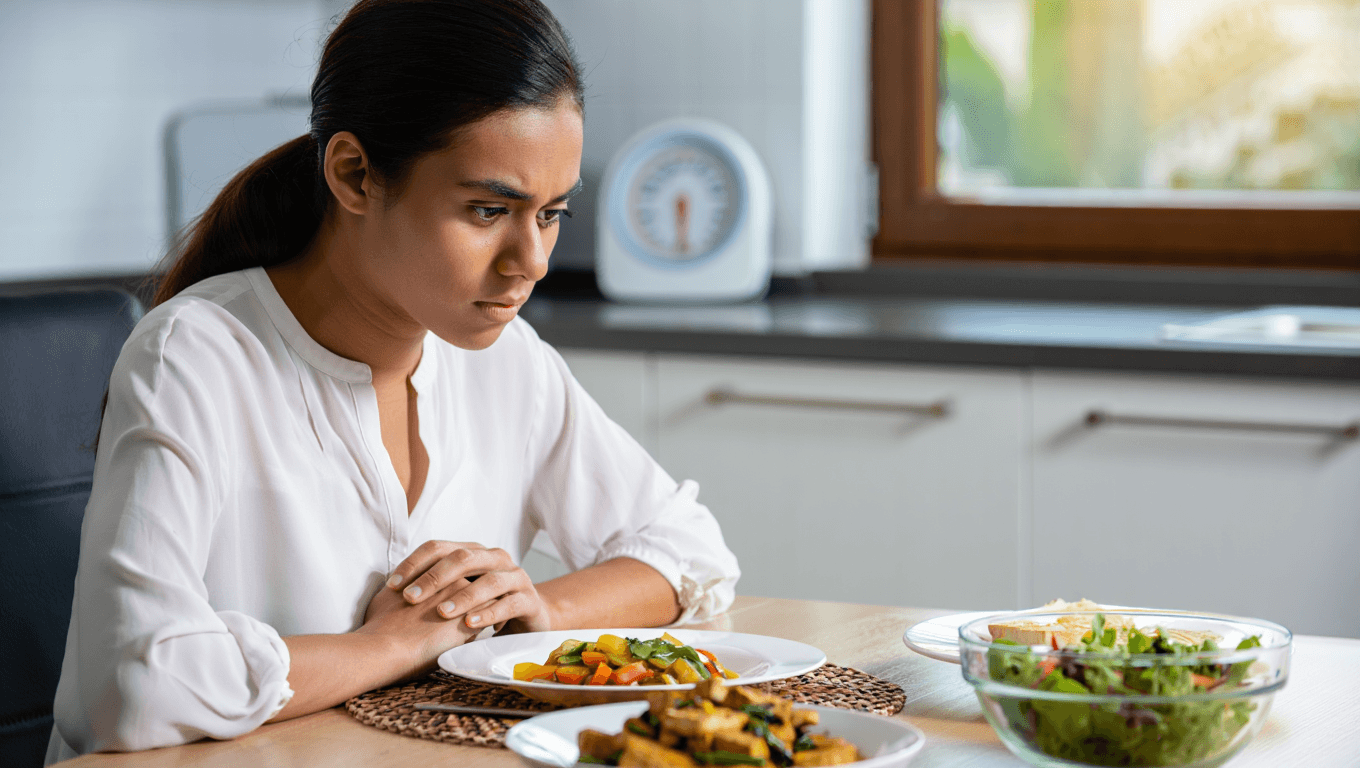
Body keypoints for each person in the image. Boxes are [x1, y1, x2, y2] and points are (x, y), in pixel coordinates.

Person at [46, 0, 740, 761]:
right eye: (486, 210)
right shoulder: (195, 354)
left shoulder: (506, 360)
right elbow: (132, 688)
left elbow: (688, 549)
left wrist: (536, 605)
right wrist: (392, 645)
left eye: (551, 214)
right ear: (354, 174)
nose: (531, 262)